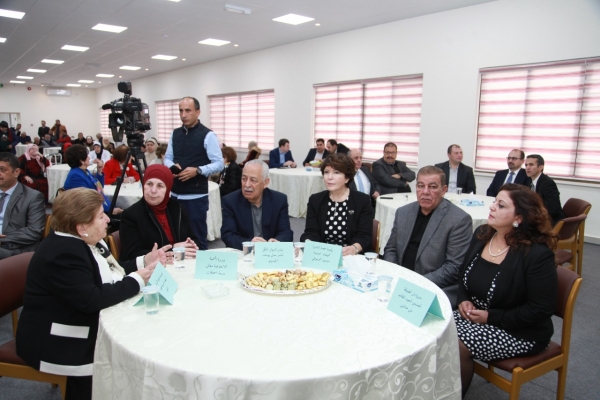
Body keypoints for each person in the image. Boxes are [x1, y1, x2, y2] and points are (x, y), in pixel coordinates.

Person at [16, 188, 168, 400]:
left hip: (78, 320)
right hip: (59, 339)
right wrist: (137, 279)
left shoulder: (85, 240)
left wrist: (144, 261)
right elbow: (92, 299)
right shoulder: (63, 253)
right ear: (82, 227)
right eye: (101, 216)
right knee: (131, 348)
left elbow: (112, 272)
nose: (108, 219)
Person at [455, 184, 558, 397]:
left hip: (519, 331)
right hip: (477, 317)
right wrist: (463, 299)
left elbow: (540, 309)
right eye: (494, 201)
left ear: (518, 217)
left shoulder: (536, 254)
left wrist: (491, 317)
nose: (492, 207)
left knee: (454, 344)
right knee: (433, 327)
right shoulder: (483, 234)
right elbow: (464, 275)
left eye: (501, 205)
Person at [383, 166, 472, 305]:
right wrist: (396, 275)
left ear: (444, 190)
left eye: (432, 187)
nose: (425, 192)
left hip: (433, 288)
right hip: (398, 282)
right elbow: (390, 249)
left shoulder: (458, 220)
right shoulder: (403, 212)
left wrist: (415, 283)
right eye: (420, 186)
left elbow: (454, 267)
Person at [164, 96, 224, 250]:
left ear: (198, 112)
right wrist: (172, 167)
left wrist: (198, 170)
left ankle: (202, 264)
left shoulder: (208, 135)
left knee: (197, 239)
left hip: (196, 197)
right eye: (181, 111)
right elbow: (167, 158)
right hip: (175, 194)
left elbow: (219, 164)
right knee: (176, 237)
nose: (183, 115)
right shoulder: (175, 133)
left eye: (188, 111)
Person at [120, 164, 199, 261]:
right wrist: (174, 250)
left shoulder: (178, 209)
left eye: (160, 186)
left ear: (168, 188)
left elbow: (194, 240)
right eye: (149, 184)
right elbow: (132, 255)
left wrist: (191, 245)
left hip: (180, 263)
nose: (153, 190)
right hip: (152, 268)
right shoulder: (131, 215)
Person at [301, 154, 373, 255]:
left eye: (336, 172)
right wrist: (309, 242)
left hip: (351, 255)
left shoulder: (362, 201)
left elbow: (365, 235)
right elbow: (311, 231)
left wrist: (354, 248)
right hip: (323, 254)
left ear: (347, 178)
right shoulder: (315, 200)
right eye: (326, 172)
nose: (329, 177)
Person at [221, 160, 293, 249]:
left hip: (271, 252)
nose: (247, 185)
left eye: (253, 180)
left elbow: (286, 233)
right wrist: (250, 243)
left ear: (266, 182)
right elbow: (228, 235)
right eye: (244, 179)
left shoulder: (279, 200)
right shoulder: (230, 201)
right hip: (244, 252)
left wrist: (277, 242)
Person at [0, 153, 45, 259]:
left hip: (13, 248)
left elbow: (34, 231)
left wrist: (2, 239)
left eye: (2, 170)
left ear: (16, 172)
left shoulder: (33, 197)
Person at [63, 144, 123, 215]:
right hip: (91, 213)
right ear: (81, 161)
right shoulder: (76, 176)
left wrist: (99, 171)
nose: (89, 158)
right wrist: (109, 210)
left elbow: (99, 187)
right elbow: (87, 201)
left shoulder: (84, 171)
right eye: (87, 156)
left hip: (101, 206)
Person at [525, 154, 565, 225]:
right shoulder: (529, 181)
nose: (527, 168)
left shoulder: (547, 183)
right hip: (536, 217)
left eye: (531, 165)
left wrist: (533, 216)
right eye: (526, 165)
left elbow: (552, 209)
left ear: (540, 167)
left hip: (550, 221)